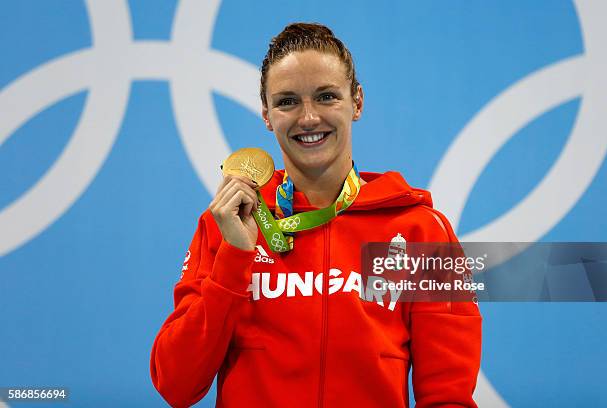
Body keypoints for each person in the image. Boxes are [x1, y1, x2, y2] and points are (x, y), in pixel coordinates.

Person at [150, 23, 481, 407]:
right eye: (287, 101)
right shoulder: (229, 223)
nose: (308, 118)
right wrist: (234, 259)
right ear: (267, 115)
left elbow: (448, 396)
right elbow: (175, 383)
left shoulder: (419, 231)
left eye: (326, 97)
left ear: (357, 102)